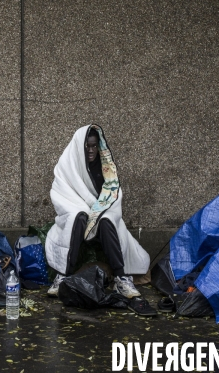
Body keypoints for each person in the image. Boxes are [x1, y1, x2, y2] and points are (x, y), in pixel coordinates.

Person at [45, 125, 153, 314]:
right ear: (80, 147)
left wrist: (98, 211)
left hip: (101, 213)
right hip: (78, 210)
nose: (91, 151)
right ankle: (63, 276)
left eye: (94, 146)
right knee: (76, 218)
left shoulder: (105, 167)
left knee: (107, 221)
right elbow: (61, 194)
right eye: (87, 147)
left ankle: (121, 280)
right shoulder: (67, 164)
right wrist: (86, 211)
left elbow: (113, 195)